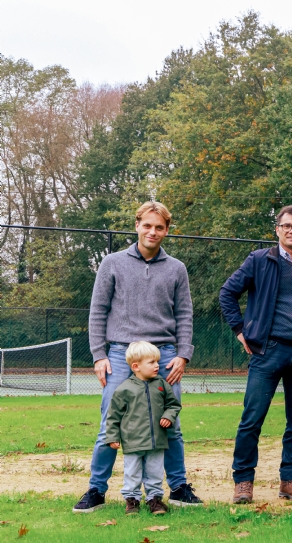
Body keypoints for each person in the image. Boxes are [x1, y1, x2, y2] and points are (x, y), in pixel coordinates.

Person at [73, 202, 201, 513]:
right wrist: (98, 355)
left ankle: (178, 488)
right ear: (137, 225)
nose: (152, 232)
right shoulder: (112, 263)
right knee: (110, 422)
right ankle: (96, 490)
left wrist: (183, 354)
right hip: (120, 353)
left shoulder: (176, 268)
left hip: (164, 354)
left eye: (159, 227)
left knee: (171, 422)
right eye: (147, 225)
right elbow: (98, 312)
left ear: (166, 230)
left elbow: (184, 314)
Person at [219, 205, 292, 504]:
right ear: (277, 229)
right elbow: (227, 293)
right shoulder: (259, 260)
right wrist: (242, 332)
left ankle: (290, 481)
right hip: (268, 351)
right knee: (252, 419)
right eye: (287, 225)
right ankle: (243, 481)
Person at [104, 341, 181, 516]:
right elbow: (113, 416)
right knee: (132, 473)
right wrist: (112, 437)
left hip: (157, 441)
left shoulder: (161, 384)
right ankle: (132, 501)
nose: (157, 366)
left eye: (157, 361)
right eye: (152, 362)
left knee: (155, 472)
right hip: (133, 442)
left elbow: (173, 405)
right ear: (136, 366)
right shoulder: (124, 389)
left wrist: (168, 416)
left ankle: (154, 500)